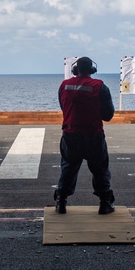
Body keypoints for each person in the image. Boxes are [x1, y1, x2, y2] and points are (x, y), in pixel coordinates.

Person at [53, 57, 116, 215]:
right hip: (93, 134)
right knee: (100, 169)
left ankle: (61, 202)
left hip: (70, 133)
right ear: (92, 69)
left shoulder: (64, 85)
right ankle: (105, 203)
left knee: (68, 168)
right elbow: (108, 115)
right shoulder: (99, 87)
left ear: (75, 69)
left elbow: (64, 107)